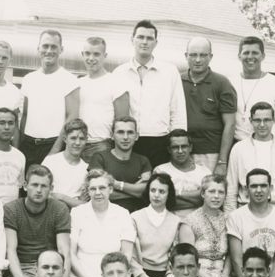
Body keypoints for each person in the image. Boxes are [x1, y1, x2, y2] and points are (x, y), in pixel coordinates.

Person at [113, 20, 186, 167]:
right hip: (129, 142)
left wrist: (177, 143)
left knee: (157, 186)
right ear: (132, 39)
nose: (144, 42)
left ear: (156, 43)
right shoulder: (119, 72)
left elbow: (178, 111)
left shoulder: (169, 71)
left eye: (149, 38)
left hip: (159, 141)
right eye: (140, 37)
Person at [4, 165, 72, 277]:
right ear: (25, 185)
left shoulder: (59, 209)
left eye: (44, 186)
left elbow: (64, 250)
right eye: (35, 185)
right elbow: (11, 250)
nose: (39, 190)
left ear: (51, 188)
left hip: (49, 265)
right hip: (21, 266)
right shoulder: (12, 209)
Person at [18, 29, 79, 168]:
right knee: (26, 188)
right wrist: (20, 145)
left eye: (54, 47)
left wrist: (55, 151)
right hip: (28, 145)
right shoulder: (29, 79)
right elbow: (25, 115)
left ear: (61, 50)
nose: (49, 50)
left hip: (54, 144)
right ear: (38, 48)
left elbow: (72, 117)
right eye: (45, 46)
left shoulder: (70, 80)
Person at [225, 102, 275, 211]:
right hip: (246, 208)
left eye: (267, 120)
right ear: (251, 121)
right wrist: (230, 216)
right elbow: (231, 187)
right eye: (257, 120)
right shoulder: (239, 148)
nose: (262, 125)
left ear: (274, 120)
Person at [69, 170, 136, 277]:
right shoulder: (77, 213)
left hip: (116, 276)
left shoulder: (123, 213)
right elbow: (71, 254)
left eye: (102, 188)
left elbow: (127, 253)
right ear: (88, 191)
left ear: (110, 189)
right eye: (93, 189)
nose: (97, 192)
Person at [180, 35, 235, 175]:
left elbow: (230, 124)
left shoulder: (222, 83)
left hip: (211, 154)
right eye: (193, 55)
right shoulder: (176, 81)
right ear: (186, 56)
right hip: (181, 151)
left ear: (210, 56)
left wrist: (222, 161)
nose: (198, 60)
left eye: (203, 55)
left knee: (210, 194)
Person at [130, 172, 192, 277]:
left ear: (169, 194)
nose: (156, 195)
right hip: (140, 276)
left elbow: (175, 255)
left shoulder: (176, 221)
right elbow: (130, 257)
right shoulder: (135, 218)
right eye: (153, 190)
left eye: (162, 191)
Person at [226, 168, 275, 277]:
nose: (259, 190)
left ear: (271, 188)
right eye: (254, 186)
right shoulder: (235, 217)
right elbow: (236, 260)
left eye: (263, 186)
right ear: (246, 189)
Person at [76, 36, 130, 161]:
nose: (91, 58)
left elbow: (122, 122)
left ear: (105, 56)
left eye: (96, 54)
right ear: (82, 54)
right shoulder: (77, 83)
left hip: (102, 145)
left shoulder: (116, 82)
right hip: (77, 144)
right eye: (87, 54)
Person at [229, 36, 275, 143]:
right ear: (239, 56)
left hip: (267, 144)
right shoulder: (230, 83)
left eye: (255, 53)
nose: (250, 56)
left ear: (263, 56)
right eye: (246, 53)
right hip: (237, 144)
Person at [88, 116, 152, 211]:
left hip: (136, 215)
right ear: (112, 135)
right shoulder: (99, 158)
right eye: (120, 132)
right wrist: (134, 191)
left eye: (130, 132)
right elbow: (98, 192)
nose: (125, 137)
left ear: (136, 136)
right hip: (107, 214)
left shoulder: (143, 161)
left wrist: (116, 184)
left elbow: (146, 192)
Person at [182, 174, 233, 277]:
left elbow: (231, 253)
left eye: (221, 192)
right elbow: (186, 259)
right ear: (203, 194)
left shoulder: (229, 220)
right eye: (212, 191)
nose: (216, 196)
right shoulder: (189, 221)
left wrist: (225, 274)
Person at [154, 130, 210, 217]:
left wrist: (174, 194)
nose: (180, 151)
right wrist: (196, 197)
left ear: (190, 147)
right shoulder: (160, 171)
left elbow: (209, 200)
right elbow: (159, 201)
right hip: (169, 221)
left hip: (199, 221)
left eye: (184, 146)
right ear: (169, 149)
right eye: (175, 147)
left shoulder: (204, 172)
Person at [42, 119, 89, 208]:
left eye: (82, 139)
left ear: (86, 140)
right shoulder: (50, 162)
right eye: (73, 138)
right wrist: (74, 201)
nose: (77, 143)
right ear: (65, 139)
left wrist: (61, 197)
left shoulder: (86, 169)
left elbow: (85, 205)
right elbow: (43, 195)